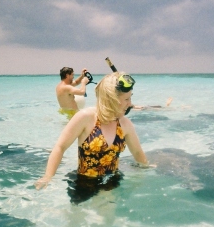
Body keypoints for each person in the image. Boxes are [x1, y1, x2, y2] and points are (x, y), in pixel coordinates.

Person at [35, 72, 149, 203]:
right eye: (126, 99)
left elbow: (137, 152)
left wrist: (146, 167)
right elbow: (60, 147)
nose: (130, 104)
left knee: (106, 220)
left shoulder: (125, 124)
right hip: (83, 181)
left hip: (111, 180)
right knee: (76, 219)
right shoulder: (85, 118)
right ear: (111, 99)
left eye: (131, 98)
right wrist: (48, 177)